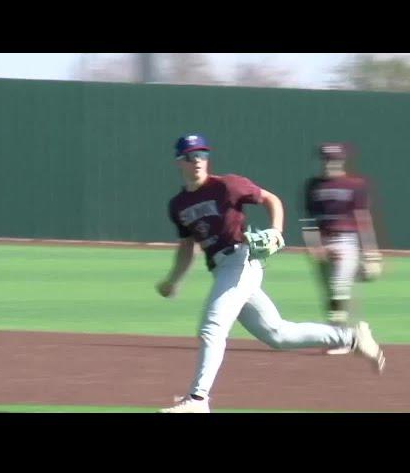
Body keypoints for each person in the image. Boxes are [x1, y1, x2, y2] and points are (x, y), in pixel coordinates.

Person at [157, 134, 385, 413]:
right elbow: (188, 247)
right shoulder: (178, 205)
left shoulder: (227, 185)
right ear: (180, 161)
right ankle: (351, 338)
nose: (198, 161)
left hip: (242, 260)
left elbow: (270, 199)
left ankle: (198, 399)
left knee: (211, 327)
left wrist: (276, 231)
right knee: (278, 334)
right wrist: (173, 281)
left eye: (203, 155)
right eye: (192, 156)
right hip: (222, 270)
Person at [302, 142, 383, 355]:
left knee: (339, 288)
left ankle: (342, 340)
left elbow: (363, 219)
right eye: (325, 159)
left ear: (342, 160)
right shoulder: (313, 186)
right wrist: (313, 246)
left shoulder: (354, 185)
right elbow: (309, 220)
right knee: (329, 294)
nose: (329, 163)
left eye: (333, 159)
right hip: (323, 243)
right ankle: (339, 334)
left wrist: (371, 252)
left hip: (346, 242)